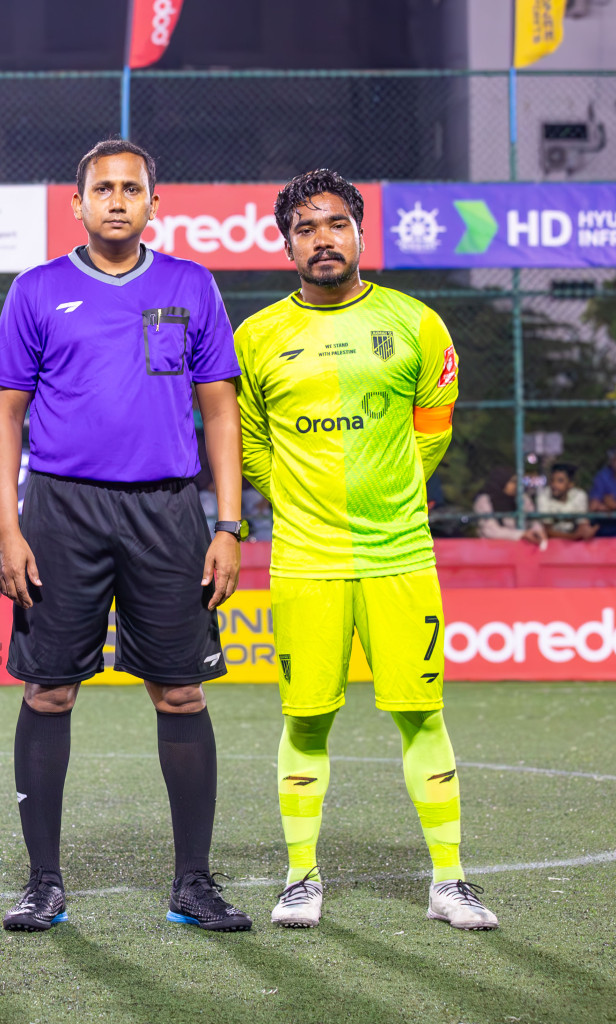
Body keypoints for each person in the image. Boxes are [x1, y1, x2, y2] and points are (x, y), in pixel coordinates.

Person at [0, 139, 249, 933]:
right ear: (78, 203)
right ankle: (42, 882)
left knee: (181, 690)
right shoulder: (37, 290)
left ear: (153, 204)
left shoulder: (190, 285)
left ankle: (193, 883)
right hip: (61, 511)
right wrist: (7, 522)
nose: (118, 200)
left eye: (133, 188)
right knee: (50, 689)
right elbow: (5, 416)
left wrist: (228, 525)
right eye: (103, 188)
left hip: (167, 513)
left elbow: (221, 410)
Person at [237, 168, 497, 931]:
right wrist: (302, 503)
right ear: (286, 244)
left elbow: (434, 428)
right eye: (307, 228)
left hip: (401, 556)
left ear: (360, 233)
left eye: (337, 224)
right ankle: (299, 876)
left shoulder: (419, 323)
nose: (324, 239)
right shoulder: (258, 336)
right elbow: (251, 446)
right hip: (305, 561)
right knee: (307, 718)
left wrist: (382, 500)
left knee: (422, 714)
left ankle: (449, 881)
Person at [525, 462, 597, 543]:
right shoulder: (543, 496)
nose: (554, 485)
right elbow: (546, 530)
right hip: (551, 544)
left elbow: (583, 526)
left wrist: (585, 532)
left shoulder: (579, 495)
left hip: (574, 545)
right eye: (552, 480)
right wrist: (573, 537)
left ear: (570, 484)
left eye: (560, 481)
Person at [472, 467, 525, 541]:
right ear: (502, 481)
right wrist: (522, 534)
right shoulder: (484, 501)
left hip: (518, 548)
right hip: (492, 549)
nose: (516, 485)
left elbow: (531, 522)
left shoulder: (518, 500)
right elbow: (491, 531)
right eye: (513, 482)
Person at [587, 448, 616, 535]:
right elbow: (593, 507)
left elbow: (609, 503)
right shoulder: (603, 476)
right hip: (605, 530)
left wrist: (612, 505)